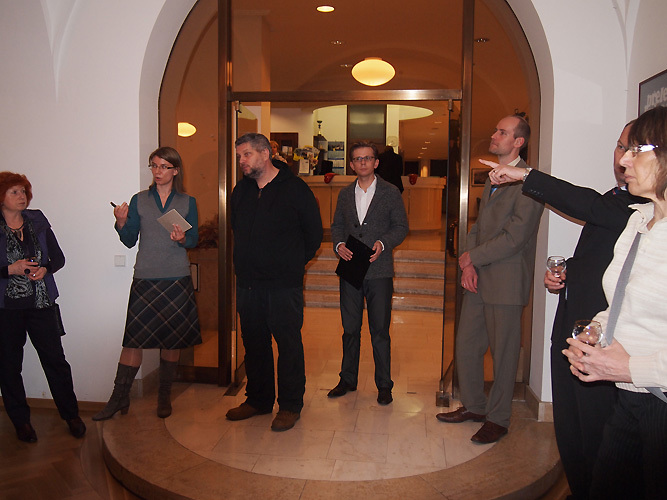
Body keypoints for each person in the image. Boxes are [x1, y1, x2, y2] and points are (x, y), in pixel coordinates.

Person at [486, 121, 645, 498]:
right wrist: (567, 272)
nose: (621, 158)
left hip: (602, 340)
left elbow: (586, 204)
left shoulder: (644, 207)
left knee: (596, 430)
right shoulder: (616, 197)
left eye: (632, 149)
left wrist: (525, 174)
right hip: (573, 327)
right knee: (570, 427)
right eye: (619, 146)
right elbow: (602, 257)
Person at [563, 106, 667, 500]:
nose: (624, 161)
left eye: (638, 150)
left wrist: (628, 367)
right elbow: (620, 301)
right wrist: (593, 333)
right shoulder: (639, 221)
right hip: (629, 397)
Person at [436, 115, 544, 444]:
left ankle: (498, 418)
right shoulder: (493, 179)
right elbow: (478, 226)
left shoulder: (530, 183)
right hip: (479, 277)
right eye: (495, 129)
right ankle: (474, 406)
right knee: (467, 345)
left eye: (502, 132)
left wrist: (473, 257)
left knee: (504, 354)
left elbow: (515, 237)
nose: (494, 135)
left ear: (518, 142)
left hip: (507, 281)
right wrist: (468, 263)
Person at [94, 147, 201, 421]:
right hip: (145, 277)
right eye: (154, 165)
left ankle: (164, 396)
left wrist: (183, 239)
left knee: (173, 341)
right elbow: (130, 240)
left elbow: (194, 239)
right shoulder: (139, 200)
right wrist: (120, 222)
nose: (158, 171)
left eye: (164, 166)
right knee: (133, 342)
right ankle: (119, 398)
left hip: (176, 277)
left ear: (175, 170)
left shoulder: (187, 201)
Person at [227, 133, 322, 432]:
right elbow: (237, 228)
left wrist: (291, 263)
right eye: (239, 156)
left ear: (265, 154)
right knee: (254, 344)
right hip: (248, 283)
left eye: (246, 154)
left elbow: (313, 234)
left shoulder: (295, 189)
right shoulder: (241, 191)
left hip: (283, 284)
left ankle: (290, 405)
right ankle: (258, 400)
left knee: (288, 345)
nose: (241, 161)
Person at [0, 172, 86, 442]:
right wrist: (10, 269)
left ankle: (71, 415)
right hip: (7, 309)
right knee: (9, 366)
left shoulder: (37, 220)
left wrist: (46, 269)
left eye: (23, 191)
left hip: (41, 303)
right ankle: (21, 422)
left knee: (55, 361)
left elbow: (58, 258)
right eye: (14, 192)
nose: (22, 196)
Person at [327, 142, 409, 405]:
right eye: (357, 159)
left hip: (379, 269)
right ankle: (347, 379)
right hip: (351, 267)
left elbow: (401, 227)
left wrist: (383, 243)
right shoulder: (344, 194)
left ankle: (384, 384)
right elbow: (337, 226)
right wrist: (339, 245)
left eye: (367, 158)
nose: (362, 162)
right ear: (351, 165)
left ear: (376, 162)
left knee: (380, 330)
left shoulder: (390, 192)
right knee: (350, 328)